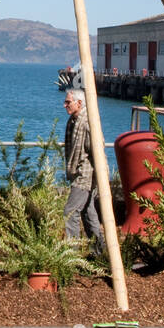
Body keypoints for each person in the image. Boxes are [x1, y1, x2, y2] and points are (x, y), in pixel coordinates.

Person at [62, 89, 105, 251]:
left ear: (79, 103)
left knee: (70, 212)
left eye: (68, 102)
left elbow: (97, 151)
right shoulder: (73, 121)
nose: (64, 105)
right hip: (78, 173)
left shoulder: (87, 123)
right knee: (88, 214)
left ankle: (72, 255)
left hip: (85, 175)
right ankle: (101, 253)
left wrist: (101, 177)